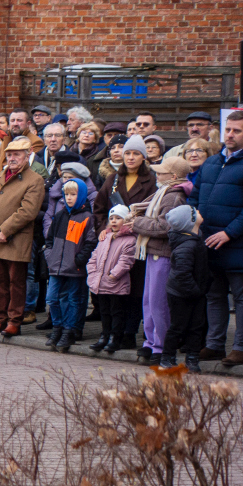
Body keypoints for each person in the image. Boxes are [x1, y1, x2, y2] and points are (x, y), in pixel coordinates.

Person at [193, 109, 243, 368]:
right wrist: (194, 221)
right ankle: (215, 344)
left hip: (239, 244)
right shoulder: (211, 163)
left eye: (236, 130)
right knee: (214, 295)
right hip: (208, 241)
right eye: (228, 129)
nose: (230, 135)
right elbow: (194, 197)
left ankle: (242, 348)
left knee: (242, 298)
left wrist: (228, 233)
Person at [93, 135, 156, 351]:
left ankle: (129, 333)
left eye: (136, 153)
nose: (130, 157)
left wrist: (136, 226)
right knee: (113, 288)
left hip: (138, 242)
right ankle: (111, 333)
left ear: (143, 157)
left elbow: (153, 211)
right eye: (127, 153)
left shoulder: (151, 181)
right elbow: (99, 208)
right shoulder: (113, 179)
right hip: (113, 243)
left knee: (135, 288)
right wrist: (103, 231)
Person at [0, 138, 46, 336]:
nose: (12, 158)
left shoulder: (34, 179)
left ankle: (14, 321)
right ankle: (0, 319)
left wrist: (4, 231)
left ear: (27, 156)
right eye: (9, 154)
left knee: (16, 282)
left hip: (15, 239)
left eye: (17, 154)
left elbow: (28, 211)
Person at [130, 155, 193, 365]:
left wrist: (137, 222)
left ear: (173, 176)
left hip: (163, 254)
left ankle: (161, 346)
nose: (157, 176)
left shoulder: (173, 197)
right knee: (148, 301)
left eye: (161, 173)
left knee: (159, 304)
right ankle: (150, 342)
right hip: (153, 251)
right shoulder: (163, 193)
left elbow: (164, 227)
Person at [41, 178, 97, 351]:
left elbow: (90, 242)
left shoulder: (87, 218)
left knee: (73, 299)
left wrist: (78, 259)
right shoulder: (60, 216)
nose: (69, 198)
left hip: (74, 267)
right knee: (52, 298)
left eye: (73, 194)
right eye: (66, 194)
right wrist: (50, 256)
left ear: (81, 196)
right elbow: (49, 239)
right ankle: (57, 327)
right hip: (56, 266)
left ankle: (68, 330)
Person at [160, 205, 211, 371]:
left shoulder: (195, 239)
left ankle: (192, 359)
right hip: (181, 293)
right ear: (191, 221)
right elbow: (182, 274)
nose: (199, 211)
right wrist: (196, 291)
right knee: (178, 326)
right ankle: (167, 357)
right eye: (195, 212)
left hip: (195, 291)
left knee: (196, 326)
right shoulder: (186, 246)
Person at [86, 205, 139, 354]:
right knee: (104, 311)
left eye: (118, 218)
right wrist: (92, 271)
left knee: (117, 312)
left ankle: (115, 338)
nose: (114, 221)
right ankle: (105, 335)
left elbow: (126, 261)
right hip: (101, 282)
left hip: (116, 283)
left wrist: (113, 275)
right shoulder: (105, 237)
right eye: (111, 218)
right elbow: (94, 256)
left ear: (126, 221)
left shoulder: (130, 240)